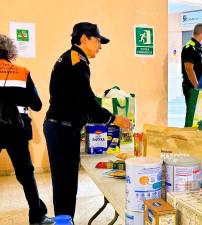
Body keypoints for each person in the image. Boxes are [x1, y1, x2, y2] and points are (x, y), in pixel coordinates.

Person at [43, 22, 131, 219]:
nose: (100, 46)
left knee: (64, 183)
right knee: (65, 184)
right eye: (98, 40)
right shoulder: (76, 62)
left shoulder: (71, 59)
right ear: (84, 39)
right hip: (62, 129)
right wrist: (114, 119)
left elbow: (76, 101)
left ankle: (65, 220)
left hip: (62, 127)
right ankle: (64, 221)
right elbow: (87, 102)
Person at [0, 34, 53, 225]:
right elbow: (37, 105)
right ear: (10, 51)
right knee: (26, 174)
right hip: (17, 130)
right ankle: (37, 216)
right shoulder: (21, 72)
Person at [181, 23, 202, 110]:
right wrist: (197, 87)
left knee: (199, 114)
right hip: (192, 88)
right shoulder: (190, 47)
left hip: (198, 86)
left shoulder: (200, 48)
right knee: (192, 115)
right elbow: (189, 69)